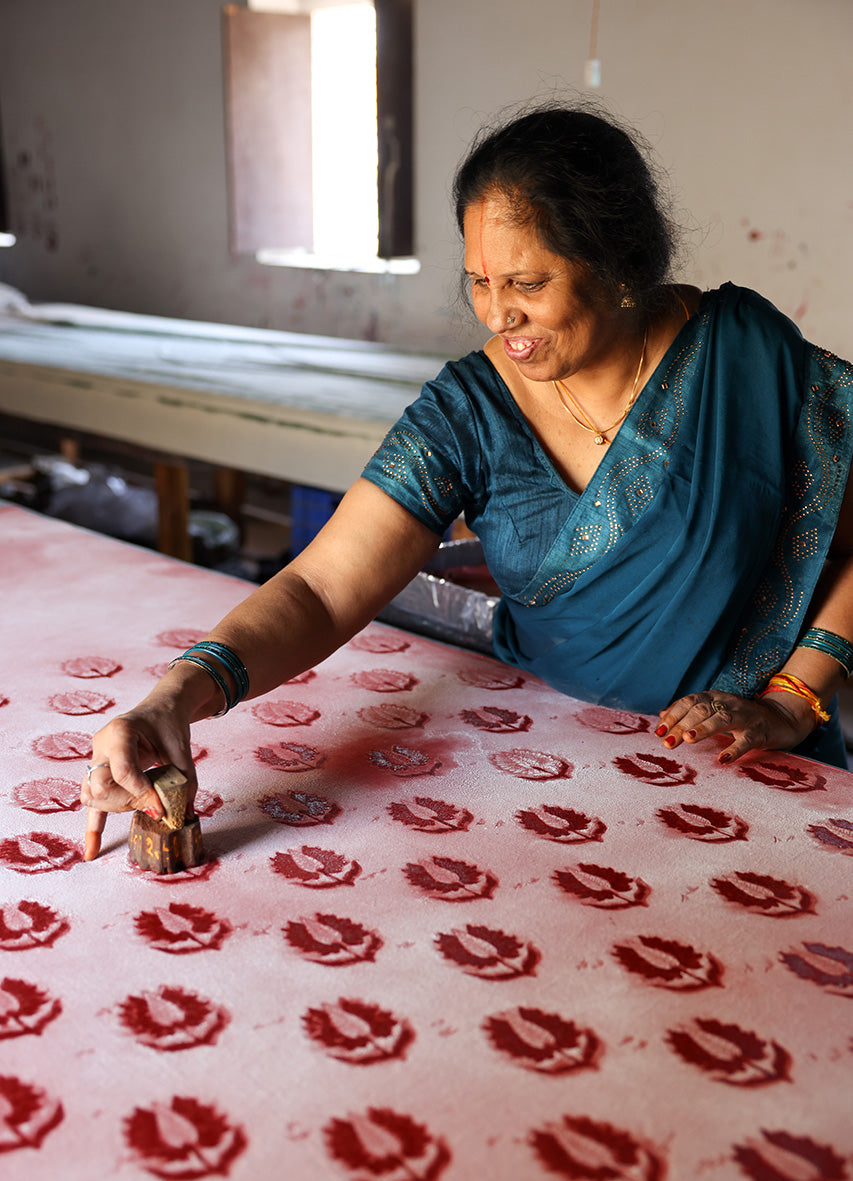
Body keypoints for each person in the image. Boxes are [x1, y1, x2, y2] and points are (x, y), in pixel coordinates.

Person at [81, 103, 853, 860]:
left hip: (743, 761)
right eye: (479, 283)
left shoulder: (744, 358)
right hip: (553, 768)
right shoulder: (466, 412)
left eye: (525, 283)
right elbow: (322, 588)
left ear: (618, 262)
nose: (498, 317)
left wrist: (792, 700)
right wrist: (176, 696)